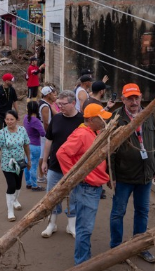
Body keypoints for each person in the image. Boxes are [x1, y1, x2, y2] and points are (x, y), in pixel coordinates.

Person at [109, 83, 155, 263]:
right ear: (122, 99)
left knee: (142, 211)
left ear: (140, 98)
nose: (133, 101)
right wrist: (112, 176)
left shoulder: (148, 114)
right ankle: (116, 249)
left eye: (136, 97)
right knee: (118, 212)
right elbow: (110, 151)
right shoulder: (116, 118)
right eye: (129, 98)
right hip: (124, 176)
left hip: (145, 175)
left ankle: (140, 247)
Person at [57, 103, 112, 265]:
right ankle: (82, 263)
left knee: (85, 227)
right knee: (85, 228)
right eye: (101, 118)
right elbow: (62, 153)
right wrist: (75, 176)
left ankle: (83, 260)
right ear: (90, 119)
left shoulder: (93, 132)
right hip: (87, 187)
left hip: (91, 187)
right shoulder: (82, 134)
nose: (104, 121)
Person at [41, 90, 84, 238]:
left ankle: (71, 225)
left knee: (73, 196)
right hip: (55, 166)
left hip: (75, 167)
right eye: (58, 104)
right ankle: (51, 224)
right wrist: (44, 160)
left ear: (73, 103)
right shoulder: (57, 118)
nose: (60, 107)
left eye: (63, 104)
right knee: (52, 196)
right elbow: (49, 140)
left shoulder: (82, 120)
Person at [0, 110, 31, 222]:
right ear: (4, 120)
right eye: (7, 119)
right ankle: (10, 211)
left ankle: (15, 200)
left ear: (16, 120)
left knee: (19, 184)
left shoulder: (22, 130)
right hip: (7, 163)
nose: (9, 122)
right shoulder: (2, 133)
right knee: (11, 185)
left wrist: (29, 160)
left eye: (12, 119)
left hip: (19, 162)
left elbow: (26, 145)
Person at [37, 86, 58, 184]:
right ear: (48, 94)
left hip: (44, 133)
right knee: (43, 154)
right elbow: (46, 122)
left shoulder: (45, 104)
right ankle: (41, 175)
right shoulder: (45, 106)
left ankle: (43, 174)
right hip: (45, 134)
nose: (54, 96)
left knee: (45, 153)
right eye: (52, 94)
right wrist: (49, 134)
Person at [23, 101, 45, 191]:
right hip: (35, 145)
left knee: (27, 164)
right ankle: (34, 185)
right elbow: (43, 133)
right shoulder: (36, 121)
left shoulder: (25, 118)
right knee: (34, 165)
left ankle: (28, 183)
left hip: (26, 144)